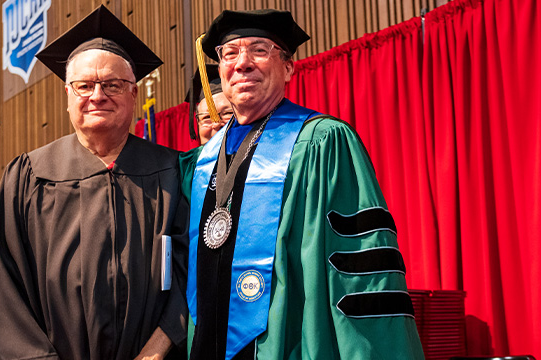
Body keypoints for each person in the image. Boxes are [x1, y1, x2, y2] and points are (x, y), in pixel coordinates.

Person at [180, 9, 425, 360]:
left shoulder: (324, 143)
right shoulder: (202, 162)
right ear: (219, 69)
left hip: (291, 342)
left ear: (289, 67)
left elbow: (360, 270)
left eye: (260, 50)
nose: (242, 63)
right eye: (229, 53)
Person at [0, 5, 188, 360]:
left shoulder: (171, 172)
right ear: (68, 97)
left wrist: (157, 349)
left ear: (134, 94)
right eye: (84, 85)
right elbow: (4, 289)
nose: (97, 95)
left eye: (113, 84)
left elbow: (190, 273)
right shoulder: (28, 177)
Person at [187, 64, 234, 145]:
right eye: (207, 117)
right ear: (198, 123)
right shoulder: (192, 157)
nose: (216, 124)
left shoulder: (258, 155)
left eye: (227, 113)